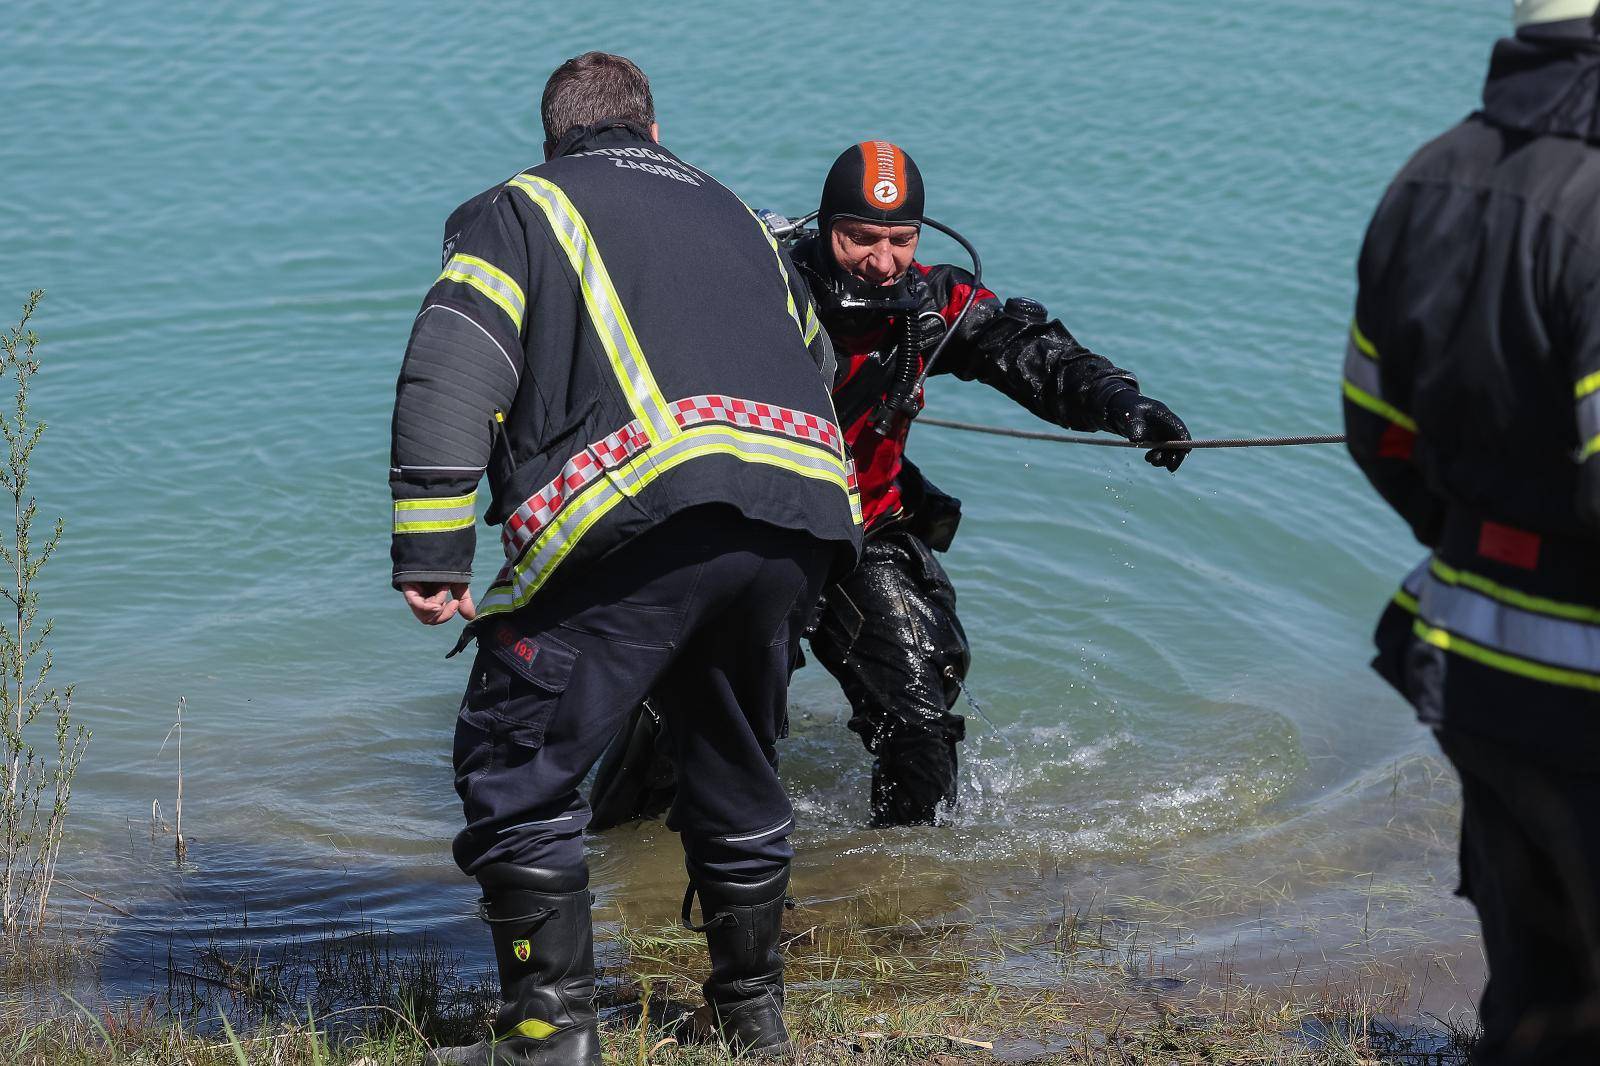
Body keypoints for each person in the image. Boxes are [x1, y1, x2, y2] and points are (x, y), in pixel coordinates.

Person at [389, 52, 861, 1063]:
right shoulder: (738, 213)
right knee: (733, 762)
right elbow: (817, 361)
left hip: (645, 507)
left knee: (512, 761)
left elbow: (453, 359)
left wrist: (431, 544)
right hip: (800, 511)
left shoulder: (519, 208)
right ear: (653, 134)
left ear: (554, 140)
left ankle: (545, 1034)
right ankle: (751, 1021)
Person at [786, 141, 1193, 826]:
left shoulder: (934, 302)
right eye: (861, 238)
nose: (883, 262)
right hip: (754, 533)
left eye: (900, 240)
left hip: (866, 530)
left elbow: (1029, 350)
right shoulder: (764, 290)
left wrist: (1121, 403)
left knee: (921, 719)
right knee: (695, 727)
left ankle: (898, 888)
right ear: (826, 227)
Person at [1344, 3, 1600, 1060]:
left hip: (1472, 658)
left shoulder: (1427, 176)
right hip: (1585, 677)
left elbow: (1375, 424)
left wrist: (1469, 540)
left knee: (1534, 996)